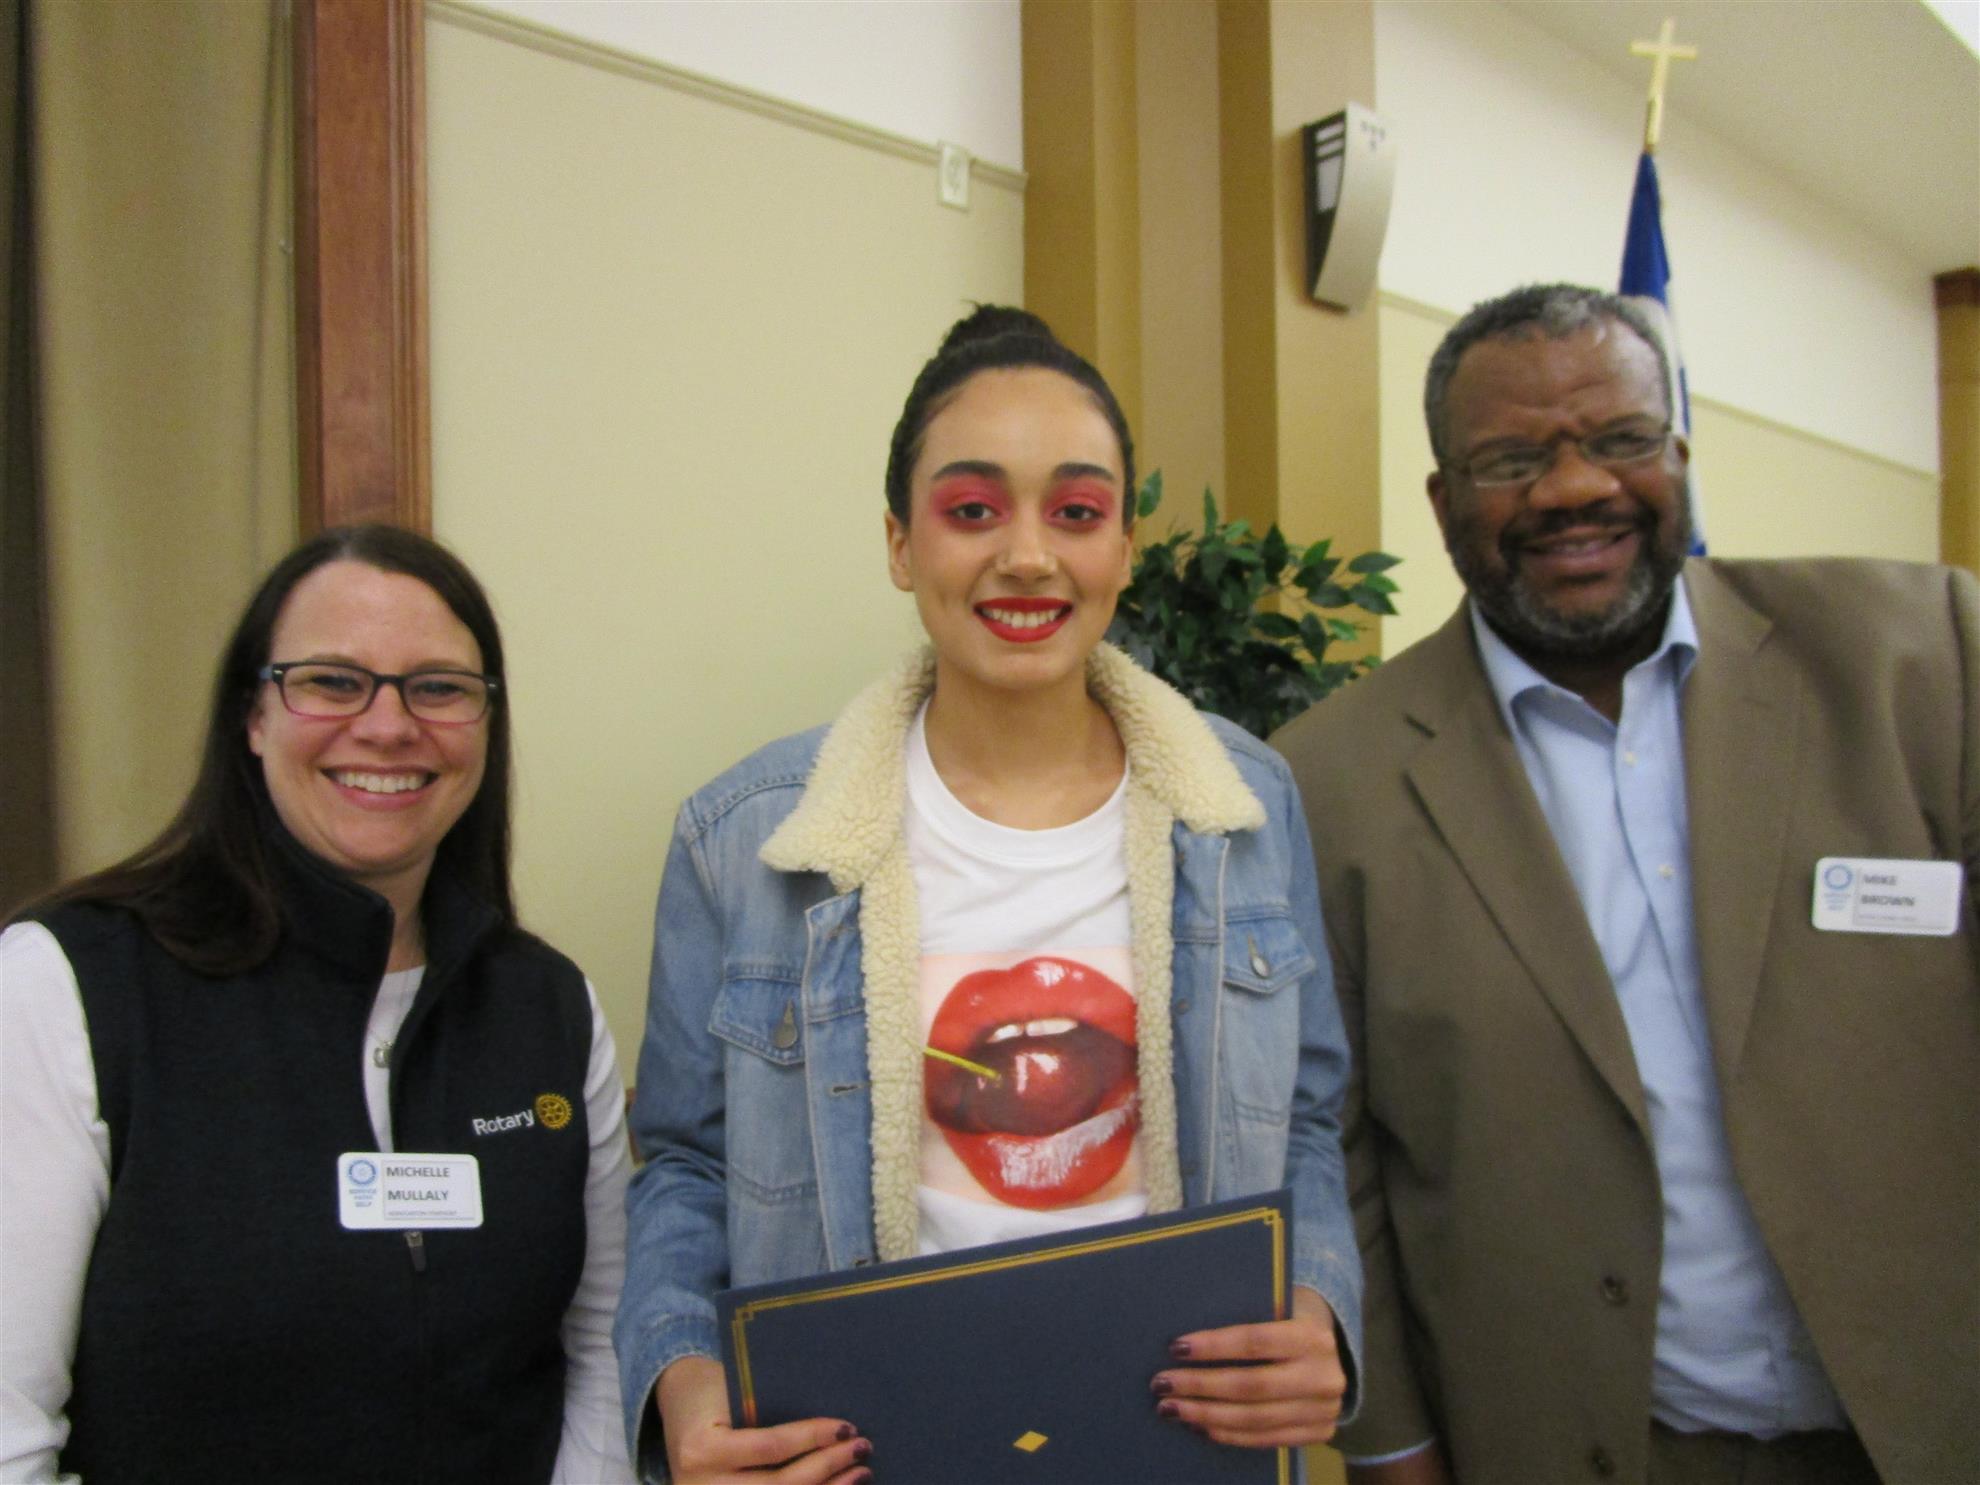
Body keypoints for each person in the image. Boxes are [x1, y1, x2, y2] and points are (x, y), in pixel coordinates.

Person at [615, 307, 1363, 1483]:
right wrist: (688, 1390)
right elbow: (685, 1170)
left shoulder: (1243, 806)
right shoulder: (746, 839)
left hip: (1172, 1452)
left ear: (1125, 546)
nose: (1027, 556)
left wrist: (1316, 1308)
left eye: (1077, 513)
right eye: (972, 511)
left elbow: (1308, 1121)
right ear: (900, 544)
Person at [1273, 282, 1979, 1485]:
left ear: (1679, 456)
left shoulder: (1921, 659)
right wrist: (1396, 1455)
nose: (1573, 488)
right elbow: (1332, 1155)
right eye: (1513, 460)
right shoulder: (1330, 779)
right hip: (1585, 1447)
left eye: (1620, 438)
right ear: (1443, 502)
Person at [0, 525, 635, 1484]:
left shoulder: (547, 1007)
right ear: (252, 715)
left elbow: (600, 1350)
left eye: (438, 687)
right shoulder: (69, 984)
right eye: (332, 681)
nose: (388, 725)